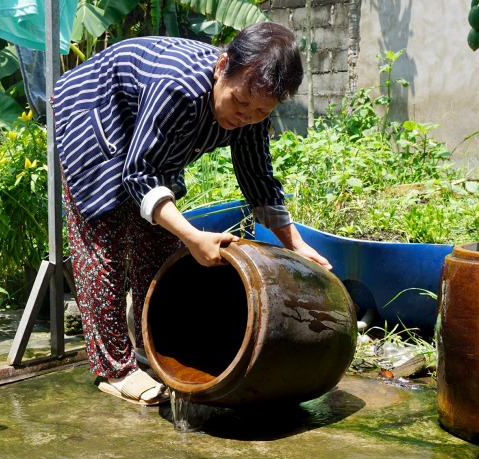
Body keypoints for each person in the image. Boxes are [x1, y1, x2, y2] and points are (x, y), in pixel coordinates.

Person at [52, 22, 332, 405]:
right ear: (221, 67)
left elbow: (258, 177)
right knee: (106, 231)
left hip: (143, 121)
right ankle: (114, 369)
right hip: (96, 105)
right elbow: (139, 173)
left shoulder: (253, 104)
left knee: (156, 238)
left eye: (260, 110)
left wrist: (296, 244)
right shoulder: (178, 88)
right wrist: (191, 235)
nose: (246, 115)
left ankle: (153, 350)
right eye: (239, 101)